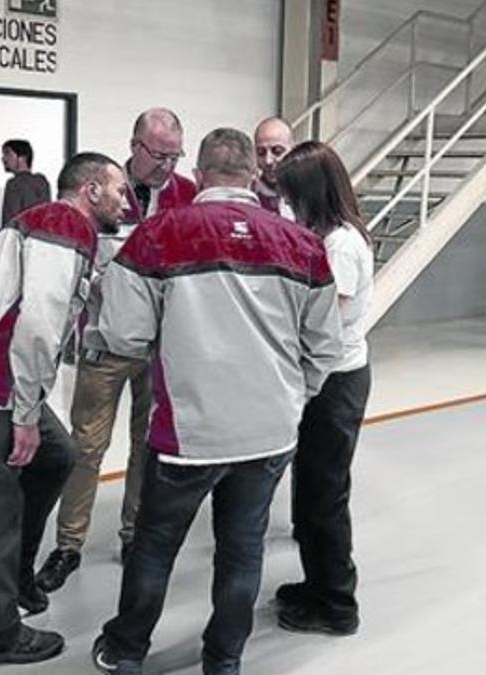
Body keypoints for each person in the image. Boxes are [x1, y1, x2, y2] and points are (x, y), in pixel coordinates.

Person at [90, 128, 343, 675]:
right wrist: (295, 395)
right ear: (254, 176)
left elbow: (126, 337)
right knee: (242, 549)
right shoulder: (303, 244)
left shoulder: (158, 235)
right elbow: (326, 345)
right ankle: (223, 659)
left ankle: (126, 649)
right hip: (270, 431)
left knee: (155, 546)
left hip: (189, 434)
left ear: (199, 176)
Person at [0, 153, 128, 667]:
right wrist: (26, 416)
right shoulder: (64, 222)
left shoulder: (58, 228)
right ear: (92, 189)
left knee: (58, 457)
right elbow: (37, 325)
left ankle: (13, 577)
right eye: (120, 190)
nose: (128, 201)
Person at [36, 108, 198, 594]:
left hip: (159, 348)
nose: (167, 165)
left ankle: (134, 535)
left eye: (175, 155)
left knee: (149, 448)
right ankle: (67, 545)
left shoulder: (186, 195)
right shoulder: (101, 189)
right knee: (86, 448)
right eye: (158, 154)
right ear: (134, 144)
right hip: (102, 346)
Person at [270, 141, 373, 636]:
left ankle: (336, 604)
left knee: (325, 494)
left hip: (337, 382)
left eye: (291, 194)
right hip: (326, 377)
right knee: (311, 489)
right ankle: (316, 584)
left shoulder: (342, 244)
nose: (286, 203)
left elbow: (324, 317)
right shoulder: (324, 233)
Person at [252, 116, 297, 219]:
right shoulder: (250, 197)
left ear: (294, 150)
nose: (268, 160)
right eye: (261, 152)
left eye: (277, 151)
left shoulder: (310, 194)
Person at [0, 139, 52, 223]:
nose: (3, 158)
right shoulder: (42, 182)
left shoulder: (14, 184)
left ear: (22, 158)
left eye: (7, 153)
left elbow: (10, 222)